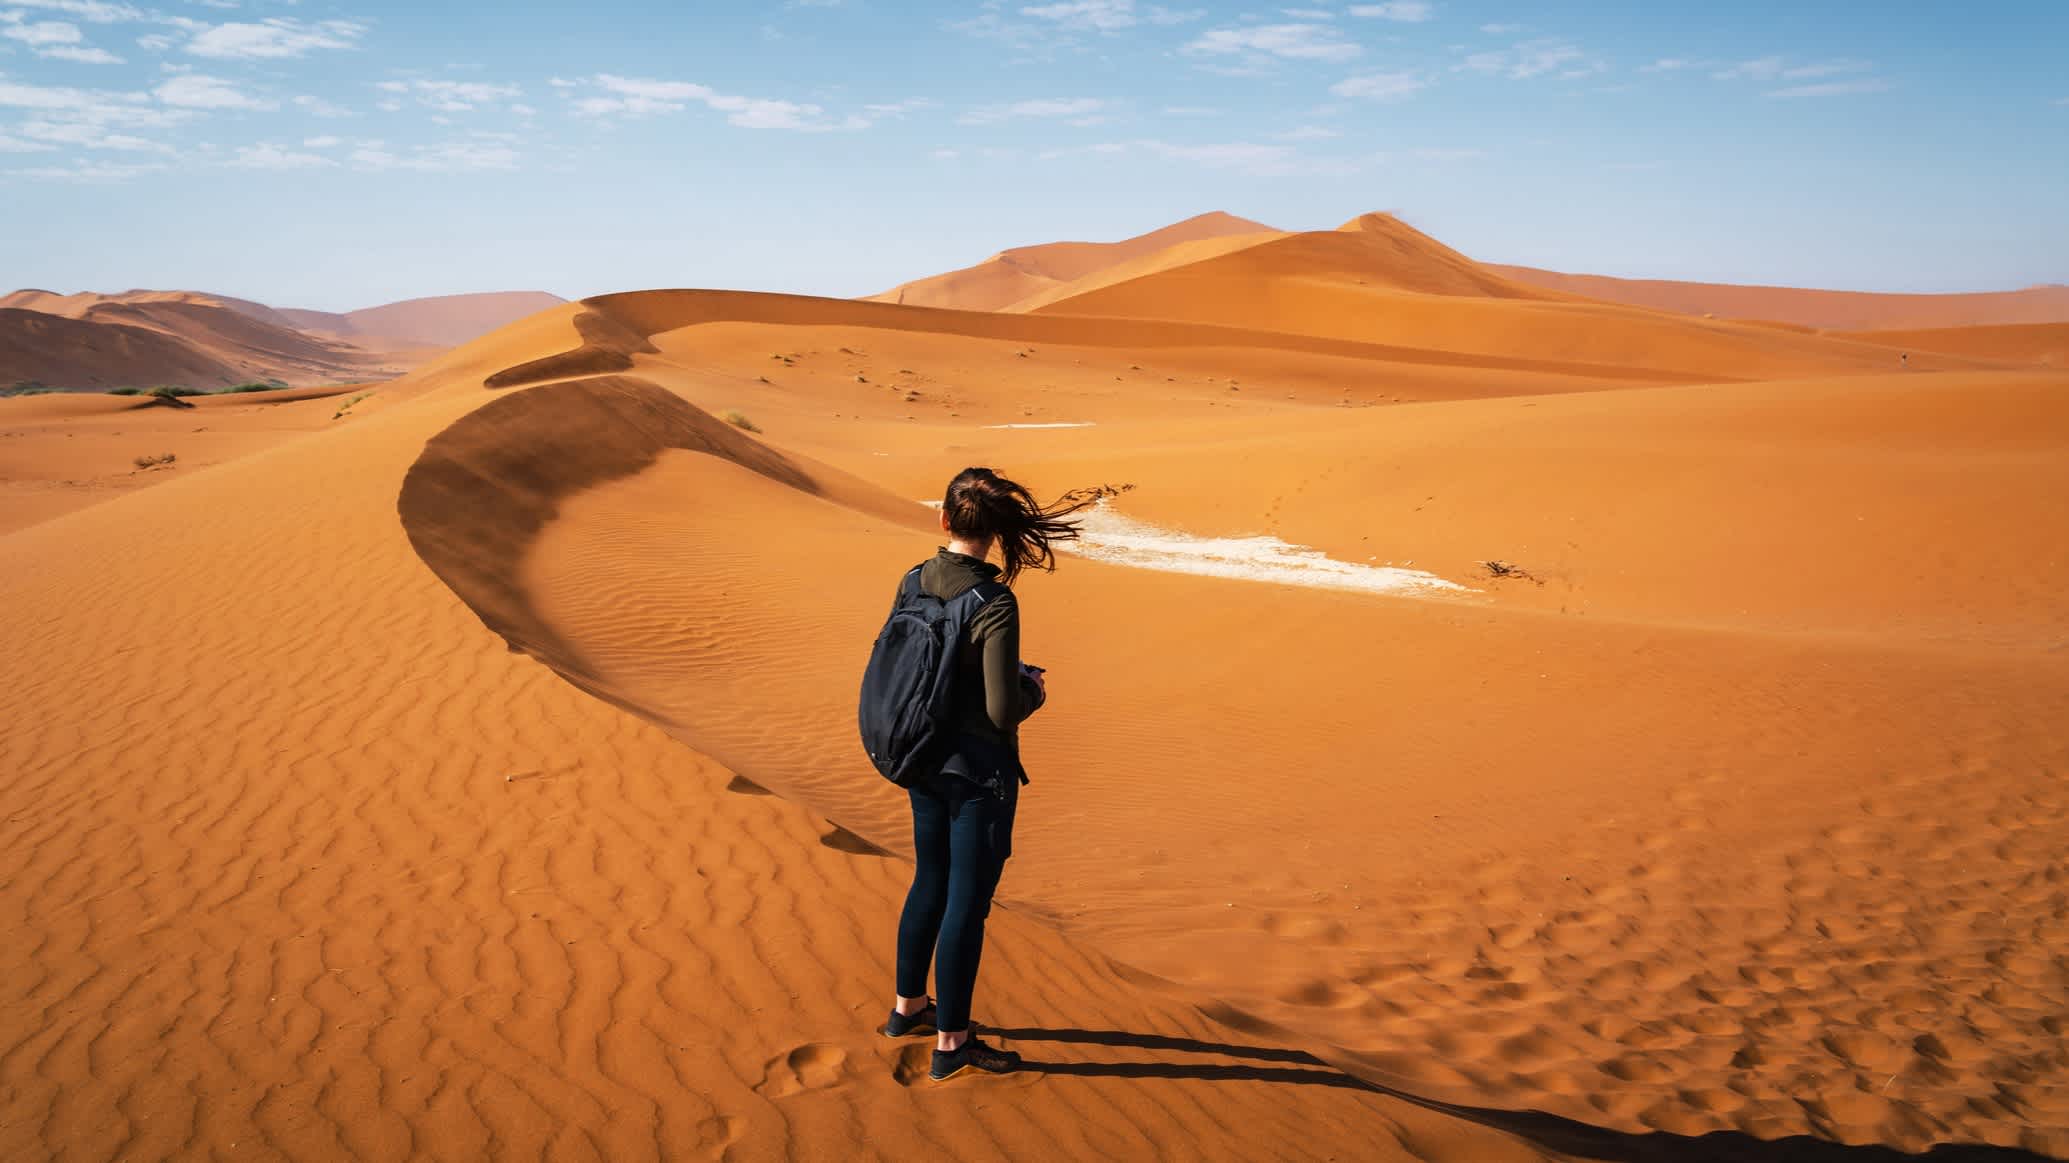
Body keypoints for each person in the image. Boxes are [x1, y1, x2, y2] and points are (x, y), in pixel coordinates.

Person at [882, 467, 1091, 1081]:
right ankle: (952, 1044)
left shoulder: (912, 580)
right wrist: (1034, 690)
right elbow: (1002, 709)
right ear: (996, 533)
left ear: (944, 521)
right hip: (977, 775)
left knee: (930, 880)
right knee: (966, 905)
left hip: (919, 756)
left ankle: (907, 1009)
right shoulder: (995, 601)